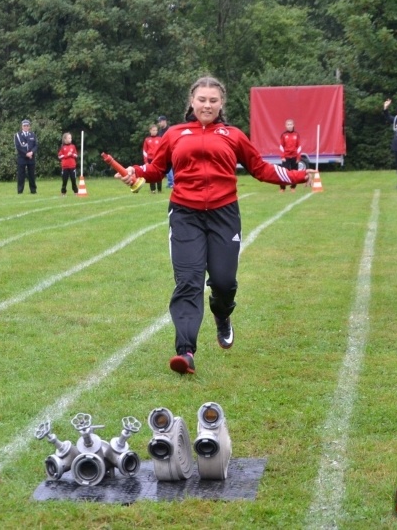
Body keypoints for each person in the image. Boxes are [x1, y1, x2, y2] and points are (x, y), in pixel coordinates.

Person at [114, 76, 314, 375]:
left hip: (224, 214)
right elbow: (155, 169)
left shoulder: (232, 135)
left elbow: (259, 168)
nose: (207, 105)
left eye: (213, 100)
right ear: (191, 102)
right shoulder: (175, 133)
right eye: (202, 99)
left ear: (221, 104)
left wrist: (298, 176)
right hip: (185, 215)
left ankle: (222, 315)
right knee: (188, 281)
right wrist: (135, 172)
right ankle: (185, 352)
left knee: (223, 282)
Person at [14, 119, 38, 194]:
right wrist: (26, 154)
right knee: (21, 175)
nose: (26, 127)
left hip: (31, 157)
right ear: (22, 126)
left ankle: (33, 190)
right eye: (24, 126)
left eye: (27, 126)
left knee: (31, 174)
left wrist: (31, 152)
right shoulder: (17, 135)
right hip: (22, 158)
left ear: (29, 127)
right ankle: (20, 191)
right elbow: (18, 147)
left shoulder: (32, 134)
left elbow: (36, 145)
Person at [278, 118, 302, 193]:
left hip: (294, 157)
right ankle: (282, 188)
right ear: (285, 126)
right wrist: (282, 157)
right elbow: (281, 146)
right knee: (284, 173)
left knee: (295, 173)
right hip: (286, 157)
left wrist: (298, 157)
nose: (289, 126)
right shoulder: (284, 135)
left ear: (293, 125)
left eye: (291, 124)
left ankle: (293, 187)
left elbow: (299, 146)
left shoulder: (296, 135)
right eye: (288, 124)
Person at [142, 124, 162, 193]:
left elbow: (162, 149)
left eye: (156, 130)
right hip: (150, 159)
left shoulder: (160, 139)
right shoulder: (147, 139)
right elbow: (145, 151)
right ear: (150, 131)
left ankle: (159, 189)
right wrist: (146, 161)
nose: (155, 131)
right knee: (151, 174)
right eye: (153, 130)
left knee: (158, 173)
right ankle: (153, 189)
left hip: (158, 159)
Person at [57, 132, 78, 196]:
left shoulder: (73, 146)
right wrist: (67, 155)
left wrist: (71, 154)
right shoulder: (62, 147)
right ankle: (63, 192)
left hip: (72, 166)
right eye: (69, 138)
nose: (70, 139)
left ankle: (76, 192)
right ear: (65, 139)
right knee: (64, 180)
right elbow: (60, 156)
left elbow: (76, 155)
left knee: (73, 180)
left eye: (71, 138)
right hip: (65, 167)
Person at [156, 115, 174, 188]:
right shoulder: (160, 132)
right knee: (167, 167)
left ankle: (171, 183)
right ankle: (171, 182)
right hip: (164, 151)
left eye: (160, 122)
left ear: (164, 121)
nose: (159, 123)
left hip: (171, 150)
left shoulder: (170, 130)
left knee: (170, 167)